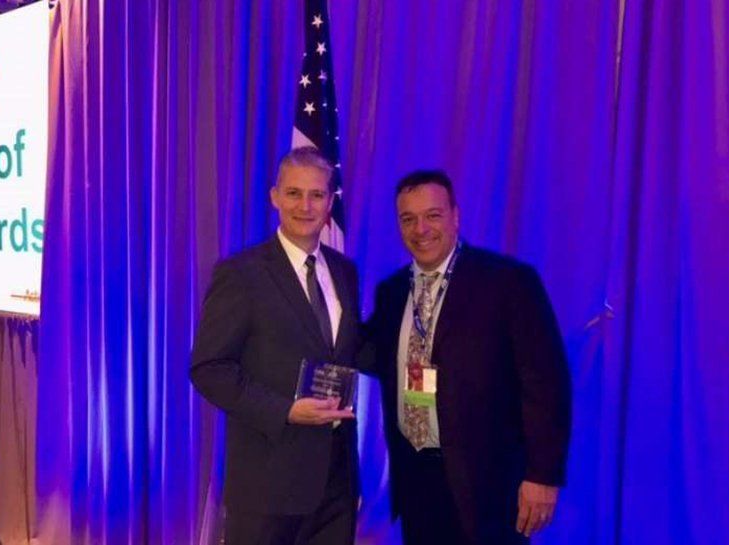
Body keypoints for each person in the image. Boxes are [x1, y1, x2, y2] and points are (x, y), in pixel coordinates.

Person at [362, 170, 572, 544]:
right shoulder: (391, 292)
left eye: (433, 215)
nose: (420, 228)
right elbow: (368, 354)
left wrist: (543, 474)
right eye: (408, 218)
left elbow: (546, 383)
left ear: (456, 216)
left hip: (489, 484)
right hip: (417, 479)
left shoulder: (508, 282)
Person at [191, 147, 363, 544]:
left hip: (336, 484)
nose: (305, 205)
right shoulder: (241, 274)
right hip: (267, 485)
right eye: (293, 193)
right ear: (274, 197)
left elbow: (350, 349)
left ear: (330, 201)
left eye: (317, 195)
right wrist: (285, 410)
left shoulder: (345, 271)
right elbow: (208, 368)